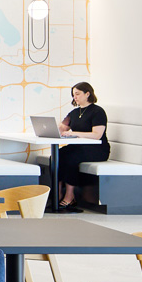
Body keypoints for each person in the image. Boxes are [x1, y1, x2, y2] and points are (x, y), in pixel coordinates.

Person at [56, 81, 110, 212]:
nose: (75, 97)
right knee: (57, 156)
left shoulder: (97, 111)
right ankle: (56, 194)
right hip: (79, 148)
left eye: (77, 94)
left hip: (98, 150)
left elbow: (97, 135)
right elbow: (62, 128)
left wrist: (73, 133)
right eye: (73, 94)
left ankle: (70, 196)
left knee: (71, 158)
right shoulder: (74, 113)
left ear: (87, 94)